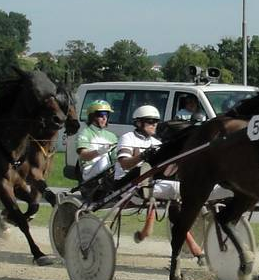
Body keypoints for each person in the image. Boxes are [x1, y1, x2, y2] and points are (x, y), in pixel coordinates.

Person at [114, 104, 203, 251]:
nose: (154, 124)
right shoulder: (127, 138)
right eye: (150, 121)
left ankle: (194, 247)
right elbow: (124, 164)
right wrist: (142, 156)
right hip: (127, 184)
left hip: (151, 183)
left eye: (156, 121)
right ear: (138, 122)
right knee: (165, 190)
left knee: (176, 199)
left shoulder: (157, 143)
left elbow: (165, 171)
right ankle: (147, 232)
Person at [75, 100, 119, 190]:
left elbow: (116, 158)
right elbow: (83, 155)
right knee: (104, 159)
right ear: (92, 116)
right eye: (101, 114)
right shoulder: (85, 133)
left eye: (106, 114)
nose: (104, 118)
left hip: (108, 171)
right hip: (89, 171)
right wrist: (99, 151)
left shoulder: (112, 136)